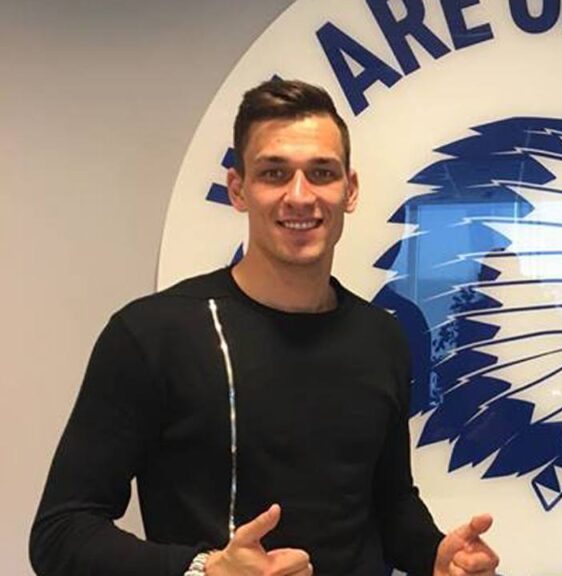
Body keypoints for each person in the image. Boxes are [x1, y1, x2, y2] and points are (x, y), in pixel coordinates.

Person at [30, 79, 500, 576]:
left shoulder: (380, 337)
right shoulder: (153, 335)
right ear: (238, 189)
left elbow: (389, 502)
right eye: (274, 173)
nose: (300, 196)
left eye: (321, 173)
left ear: (350, 190)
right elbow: (62, 533)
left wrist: (435, 555)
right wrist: (207, 570)